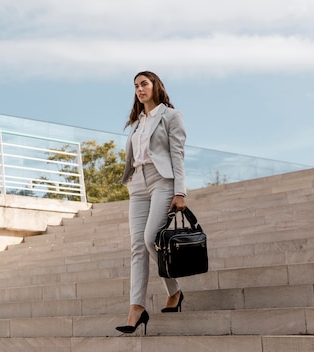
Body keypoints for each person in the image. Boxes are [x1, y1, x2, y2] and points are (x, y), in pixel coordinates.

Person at [115, 71, 187, 335]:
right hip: (138, 183)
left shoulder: (170, 116)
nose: (139, 89)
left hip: (162, 181)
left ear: (156, 85)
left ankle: (175, 290)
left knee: (150, 239)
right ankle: (136, 307)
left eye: (144, 83)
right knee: (137, 246)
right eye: (135, 86)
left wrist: (180, 192)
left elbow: (177, 154)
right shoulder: (137, 121)